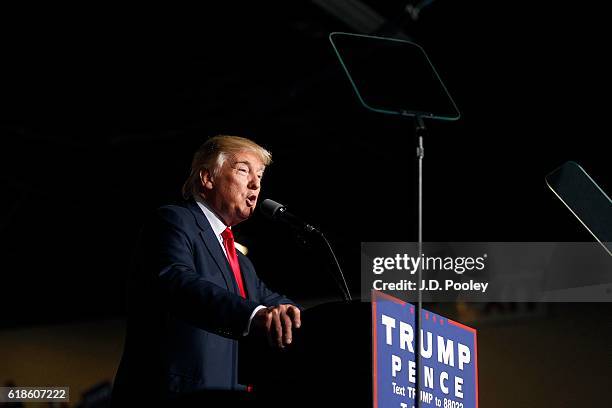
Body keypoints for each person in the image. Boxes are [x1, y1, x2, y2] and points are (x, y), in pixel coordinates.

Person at [111, 135, 300, 405]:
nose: (256, 183)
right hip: (173, 395)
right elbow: (175, 280)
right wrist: (256, 314)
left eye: (259, 175)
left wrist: (324, 325)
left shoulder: (239, 259)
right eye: (243, 169)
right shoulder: (174, 220)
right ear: (207, 178)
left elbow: (273, 302)